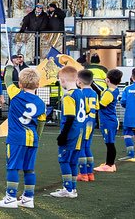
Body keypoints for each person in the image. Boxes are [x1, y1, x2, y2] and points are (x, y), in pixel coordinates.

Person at [0, 68, 46, 209]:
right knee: (29, 169)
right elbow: (41, 123)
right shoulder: (41, 103)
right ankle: (28, 198)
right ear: (38, 84)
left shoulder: (16, 94)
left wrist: (10, 67)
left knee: (13, 167)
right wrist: (37, 139)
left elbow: (7, 80)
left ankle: (10, 197)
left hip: (16, 138)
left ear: (20, 85)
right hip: (32, 138)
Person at [51, 67, 89, 198]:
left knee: (64, 160)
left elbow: (70, 116)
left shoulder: (68, 95)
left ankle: (67, 189)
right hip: (81, 131)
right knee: (73, 161)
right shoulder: (81, 93)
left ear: (62, 80)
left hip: (71, 132)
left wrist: (63, 135)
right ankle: (72, 189)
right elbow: (87, 110)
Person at [93, 70, 123, 173]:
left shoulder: (109, 93)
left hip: (108, 121)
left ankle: (109, 164)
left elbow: (101, 105)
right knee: (109, 143)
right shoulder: (113, 90)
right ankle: (110, 164)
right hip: (110, 120)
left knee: (110, 143)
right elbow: (100, 91)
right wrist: (92, 83)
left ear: (108, 79)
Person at [75, 72, 100, 182]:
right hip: (91, 122)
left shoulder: (79, 93)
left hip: (82, 122)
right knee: (87, 147)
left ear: (79, 82)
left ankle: (83, 173)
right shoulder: (95, 93)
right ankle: (90, 173)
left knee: (80, 148)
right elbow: (96, 108)